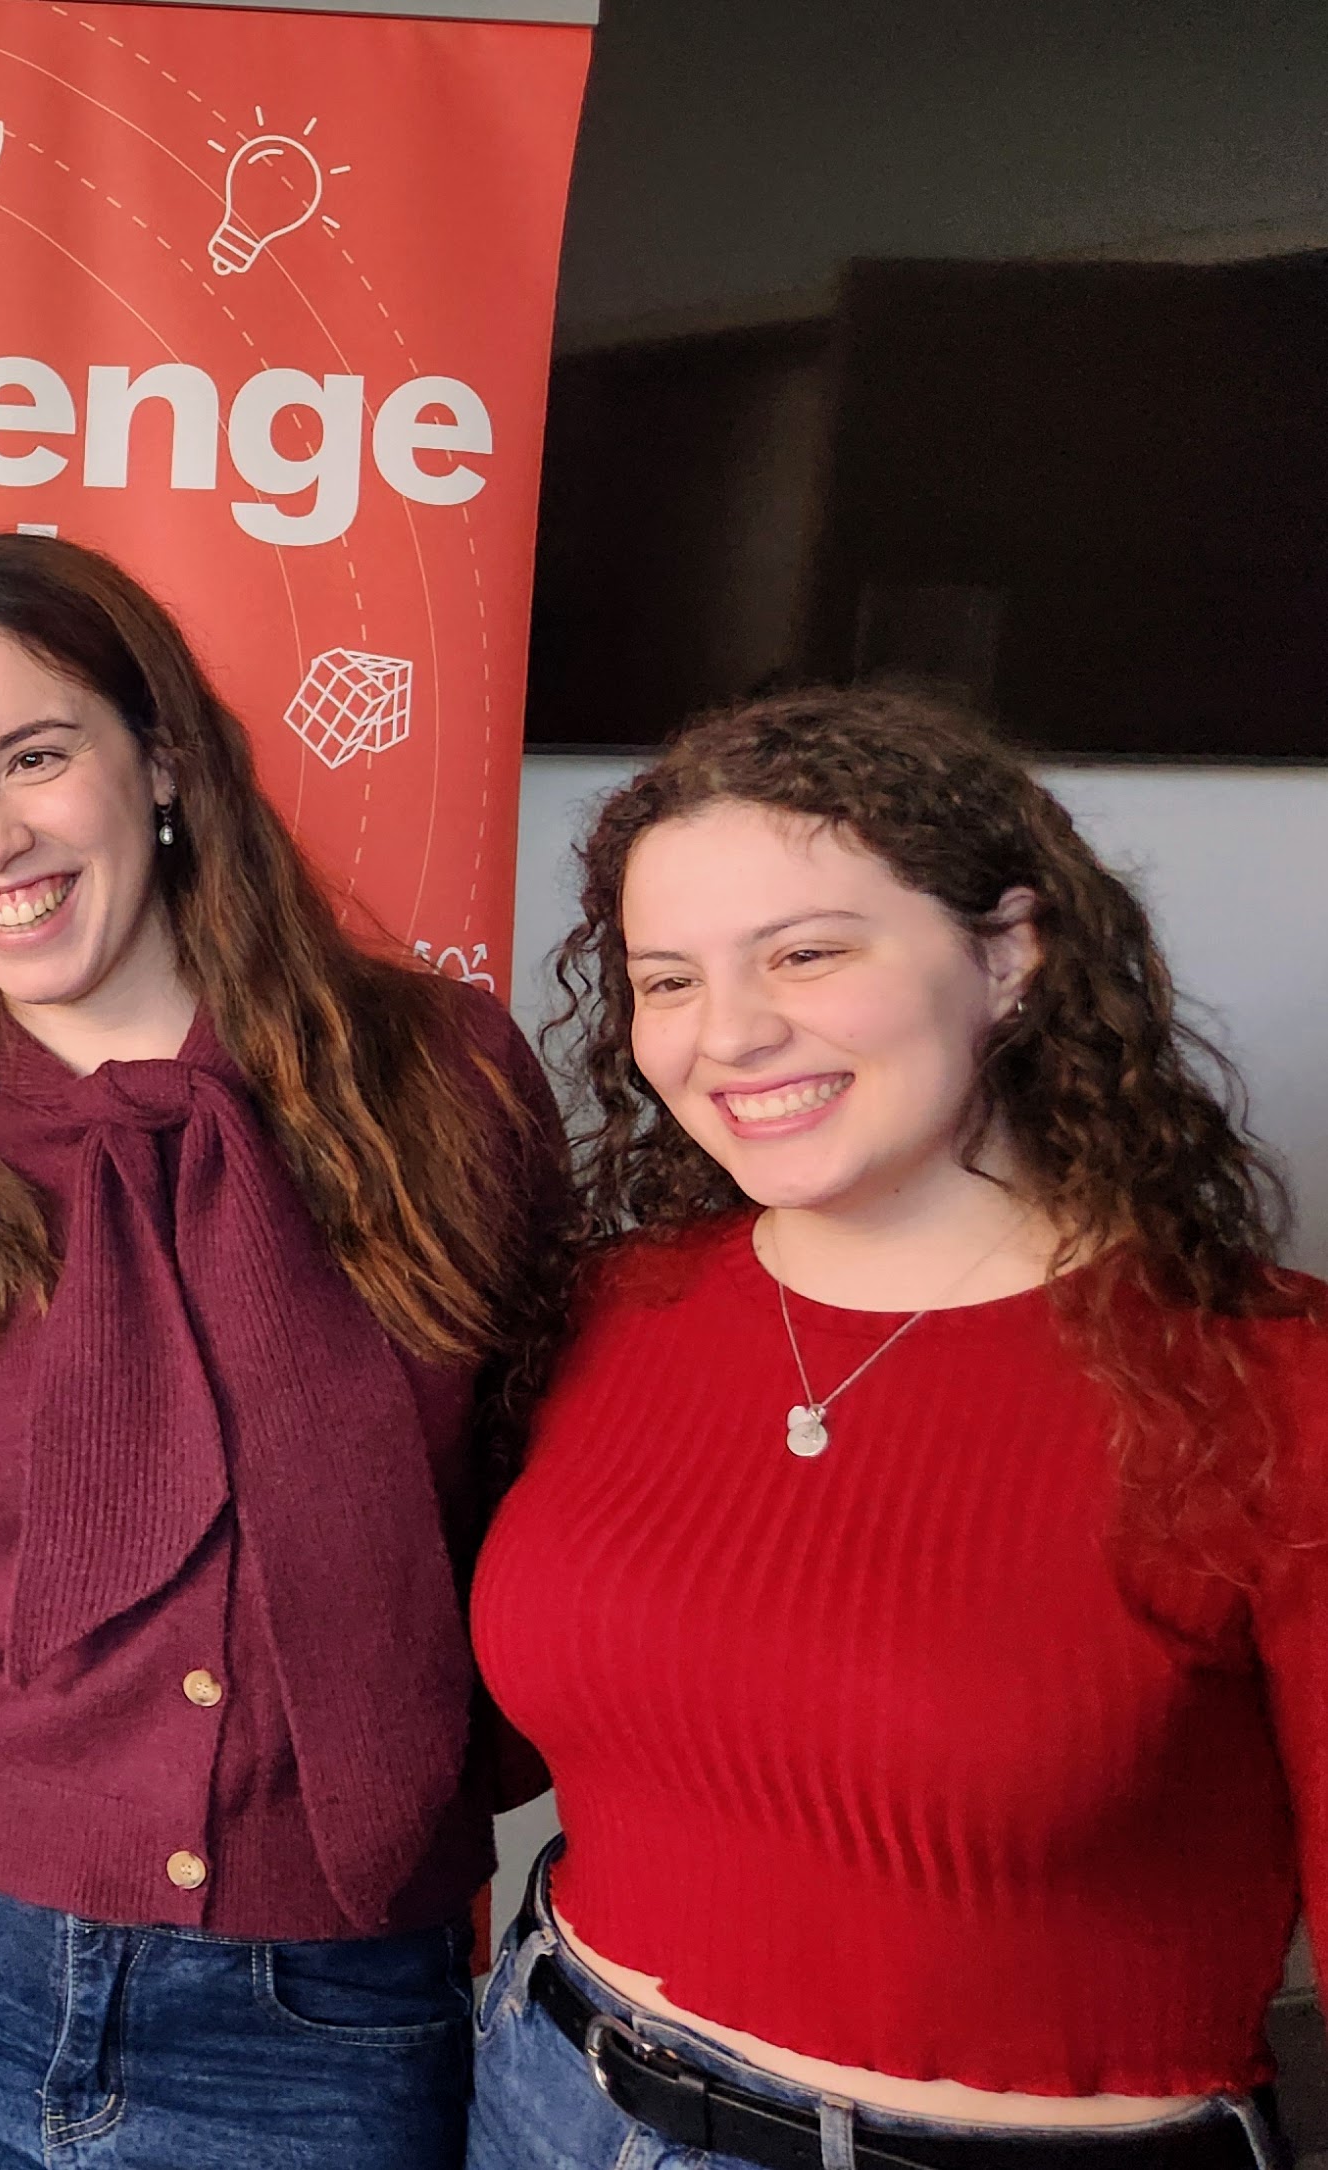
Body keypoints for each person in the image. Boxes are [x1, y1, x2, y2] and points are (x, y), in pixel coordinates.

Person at [0, 532, 565, 2170]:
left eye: (33, 755)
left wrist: (419, 1787)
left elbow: (546, 1524)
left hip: (323, 2011)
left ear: (156, 757)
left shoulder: (445, 1084)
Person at [466, 687, 1316, 2170]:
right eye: (664, 980)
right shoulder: (610, 1308)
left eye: (805, 952)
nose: (726, 1032)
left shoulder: (1264, 1386)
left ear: (1008, 953)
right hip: (547, 2089)